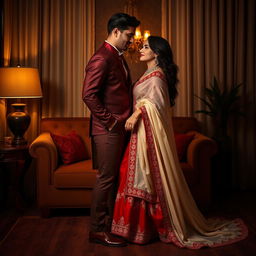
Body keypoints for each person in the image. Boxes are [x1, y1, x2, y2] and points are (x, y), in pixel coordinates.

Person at [111, 36, 248, 248]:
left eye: (146, 47)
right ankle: (133, 228)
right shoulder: (149, 73)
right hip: (141, 135)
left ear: (156, 53)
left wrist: (137, 113)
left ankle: (147, 229)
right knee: (130, 175)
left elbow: (155, 106)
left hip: (147, 136)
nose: (141, 49)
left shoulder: (157, 76)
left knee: (144, 178)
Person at [82, 13, 140, 247]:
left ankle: (110, 225)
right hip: (108, 129)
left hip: (119, 128)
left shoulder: (117, 56)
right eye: (128, 35)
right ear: (116, 31)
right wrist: (112, 122)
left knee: (115, 178)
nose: (131, 40)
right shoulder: (102, 58)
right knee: (106, 179)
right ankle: (96, 230)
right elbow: (88, 95)